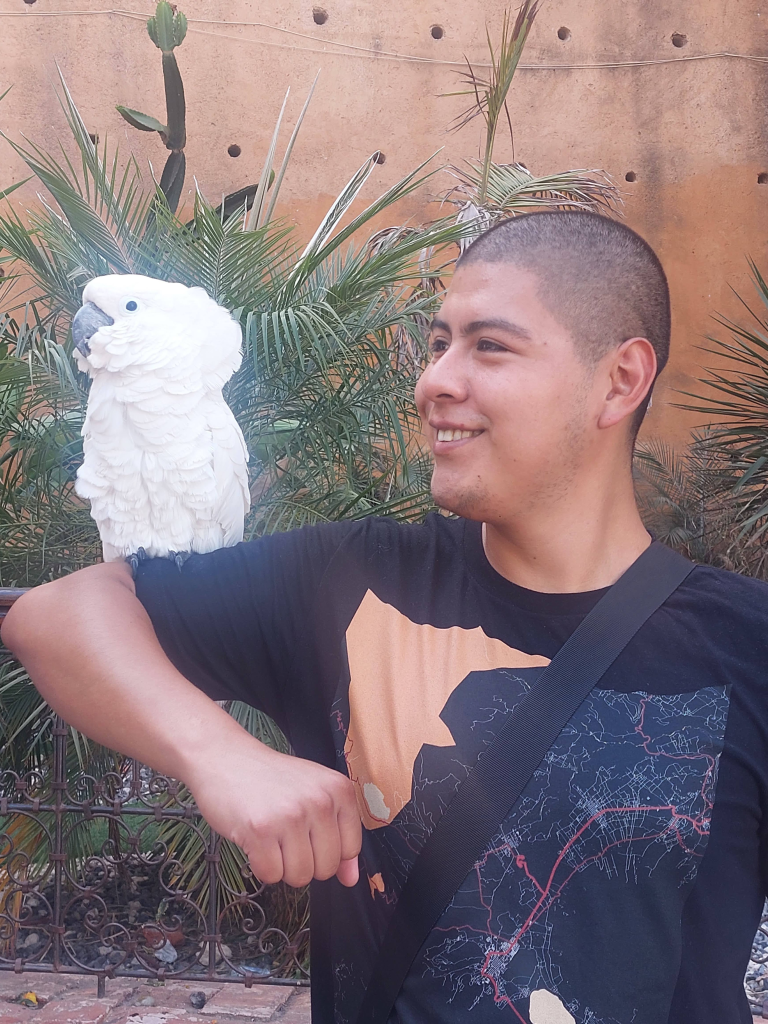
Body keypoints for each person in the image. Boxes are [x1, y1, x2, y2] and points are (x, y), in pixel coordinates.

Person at [3, 211, 767, 1024]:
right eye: (439, 343)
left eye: (490, 346)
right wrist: (220, 755)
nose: (435, 379)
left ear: (619, 381)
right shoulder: (347, 582)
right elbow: (56, 615)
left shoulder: (748, 643)